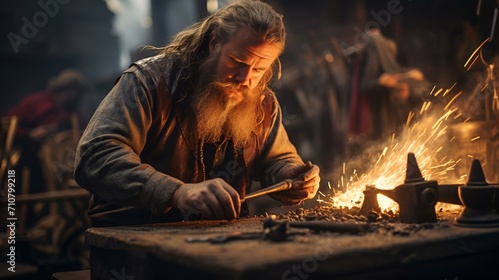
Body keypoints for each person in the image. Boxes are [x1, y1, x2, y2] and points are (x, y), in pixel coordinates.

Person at [74, 0, 321, 227]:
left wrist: (290, 174)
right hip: (137, 238)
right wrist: (176, 192)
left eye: (259, 69)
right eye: (237, 61)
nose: (245, 79)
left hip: (222, 239)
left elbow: (276, 159)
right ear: (214, 43)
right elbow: (96, 157)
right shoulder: (149, 83)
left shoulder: (263, 103)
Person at [3, 68, 87, 193]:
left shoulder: (73, 113)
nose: (74, 96)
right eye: (72, 90)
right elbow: (5, 124)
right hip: (30, 163)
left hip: (61, 168)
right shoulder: (36, 102)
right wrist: (30, 134)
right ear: (63, 88)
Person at [348, 27, 426, 141]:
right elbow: (377, 82)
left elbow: (400, 75)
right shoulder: (369, 69)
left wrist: (406, 79)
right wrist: (384, 82)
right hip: (380, 117)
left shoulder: (389, 62)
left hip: (396, 115)